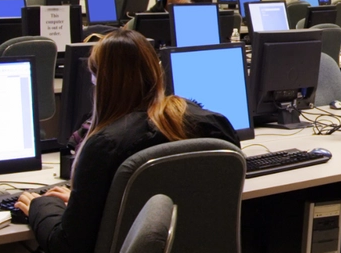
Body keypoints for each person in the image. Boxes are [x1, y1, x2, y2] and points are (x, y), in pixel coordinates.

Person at [15, 30, 240, 253]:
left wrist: (41, 206)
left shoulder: (106, 146)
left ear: (100, 83)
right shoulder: (210, 125)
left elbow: (67, 246)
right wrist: (88, 204)